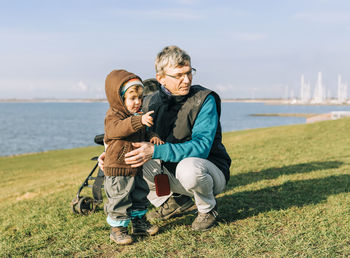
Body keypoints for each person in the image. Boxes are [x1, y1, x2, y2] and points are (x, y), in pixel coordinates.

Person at [99, 46, 231, 231]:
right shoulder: (149, 102)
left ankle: (208, 209)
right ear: (160, 78)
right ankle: (172, 202)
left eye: (189, 72)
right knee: (131, 157)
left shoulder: (204, 100)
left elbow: (202, 147)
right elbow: (128, 134)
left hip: (208, 169)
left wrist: (155, 151)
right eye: (178, 75)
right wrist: (109, 155)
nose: (186, 80)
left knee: (189, 168)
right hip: (169, 170)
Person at [103, 69, 163, 245]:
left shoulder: (137, 116)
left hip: (136, 166)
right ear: (119, 99)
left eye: (140, 98)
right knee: (120, 197)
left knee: (139, 193)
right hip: (118, 167)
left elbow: (141, 131)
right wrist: (139, 121)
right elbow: (116, 130)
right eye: (132, 98)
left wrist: (152, 135)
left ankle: (139, 222)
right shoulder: (113, 115)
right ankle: (118, 228)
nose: (137, 102)